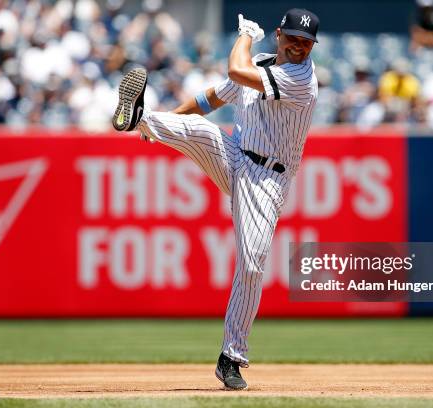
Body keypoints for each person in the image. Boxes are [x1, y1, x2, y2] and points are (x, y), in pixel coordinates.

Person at [112, 9, 319, 390]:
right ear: (279, 35)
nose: (299, 47)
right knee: (197, 128)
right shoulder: (259, 62)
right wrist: (164, 124)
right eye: (293, 38)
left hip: (266, 179)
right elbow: (210, 99)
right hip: (236, 154)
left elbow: (240, 72)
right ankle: (137, 117)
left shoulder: (301, 79)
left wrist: (244, 36)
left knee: (253, 264)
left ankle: (231, 358)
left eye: (306, 42)